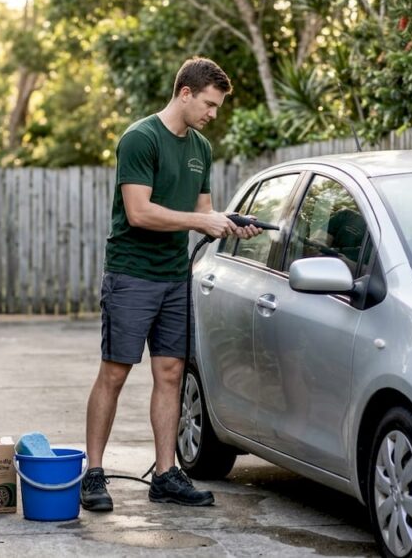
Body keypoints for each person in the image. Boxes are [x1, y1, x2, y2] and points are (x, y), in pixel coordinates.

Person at [81, 57, 259, 511]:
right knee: (116, 373)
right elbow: (139, 212)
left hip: (174, 276)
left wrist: (227, 224)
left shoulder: (201, 147)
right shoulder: (140, 139)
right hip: (131, 274)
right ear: (185, 93)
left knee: (171, 374)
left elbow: (203, 212)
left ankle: (165, 475)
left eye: (217, 107)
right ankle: (94, 474)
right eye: (209, 104)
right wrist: (202, 218)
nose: (213, 114)